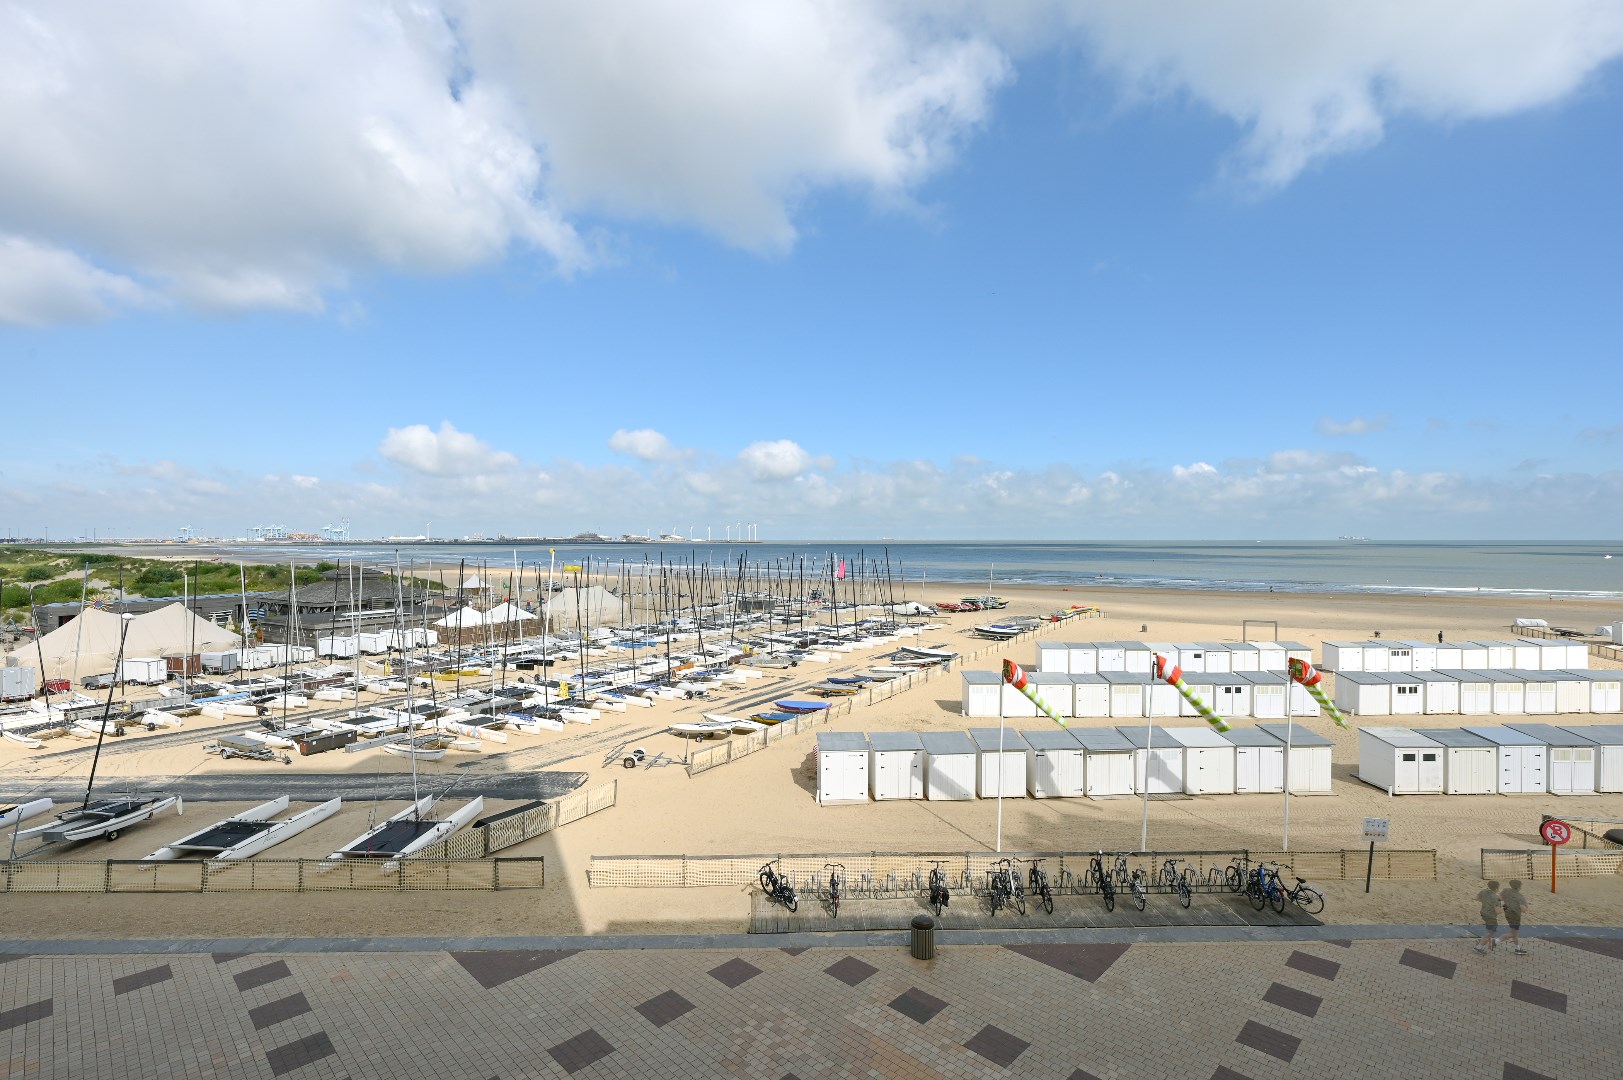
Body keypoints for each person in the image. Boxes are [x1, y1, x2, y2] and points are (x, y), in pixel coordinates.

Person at [1499, 880, 1530, 954]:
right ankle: (1496, 941)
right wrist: (1526, 908)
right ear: (1519, 887)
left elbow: (1500, 898)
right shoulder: (1520, 897)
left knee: (1513, 932)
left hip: (1507, 913)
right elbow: (1523, 909)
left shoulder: (1506, 891)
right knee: (1513, 933)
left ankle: (1518, 948)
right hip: (1515, 916)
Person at [1475, 880, 1501, 953]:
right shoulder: (1496, 898)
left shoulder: (1483, 891)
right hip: (1490, 917)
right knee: (1491, 932)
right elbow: (1498, 911)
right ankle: (1478, 947)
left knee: (1490, 929)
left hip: (1483, 913)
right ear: (1496, 888)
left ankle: (1482, 940)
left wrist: (1486, 902)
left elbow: (1476, 898)